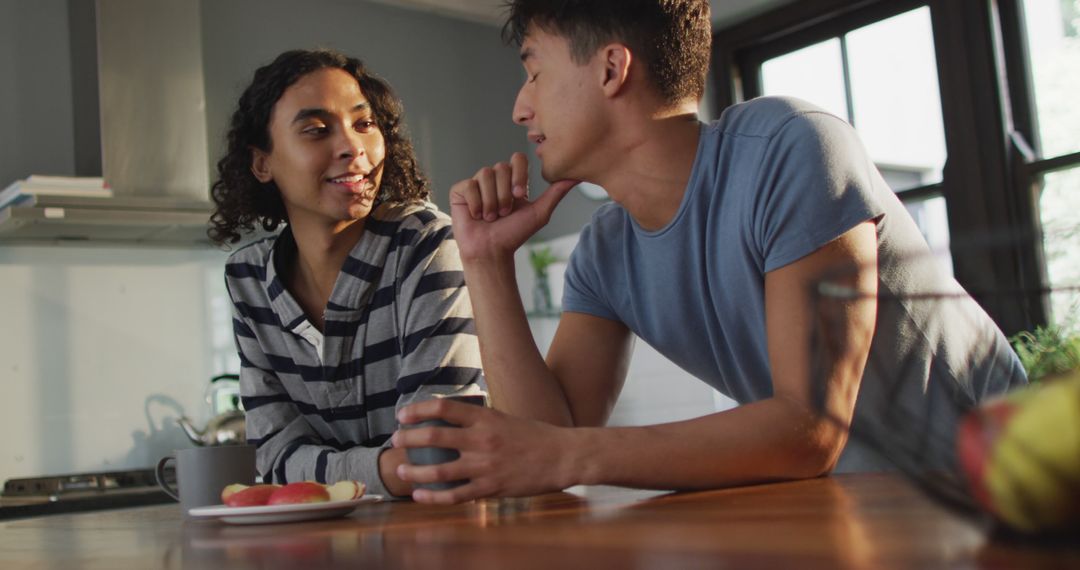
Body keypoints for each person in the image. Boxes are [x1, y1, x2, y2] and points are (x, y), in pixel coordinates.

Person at [391, 0, 1027, 503]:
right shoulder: (605, 253)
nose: (519, 106)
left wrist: (564, 454)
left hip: (1007, 486)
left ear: (613, 68)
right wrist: (484, 262)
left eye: (533, 71)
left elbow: (809, 431)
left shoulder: (793, 148)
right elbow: (547, 447)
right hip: (853, 508)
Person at [209, 49, 483, 498]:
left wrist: (321, 473)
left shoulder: (425, 245)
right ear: (262, 163)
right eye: (316, 130)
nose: (352, 147)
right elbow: (273, 458)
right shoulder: (248, 279)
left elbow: (438, 452)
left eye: (364, 124)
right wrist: (388, 469)